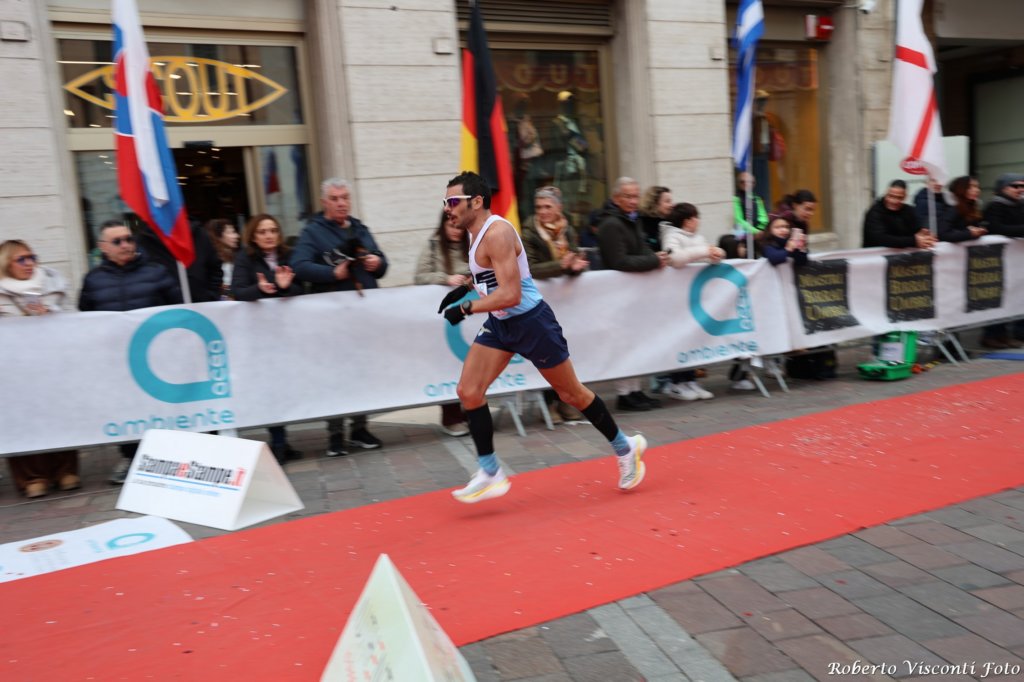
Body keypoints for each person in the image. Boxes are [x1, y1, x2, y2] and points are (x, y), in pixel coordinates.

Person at [439, 171, 647, 503]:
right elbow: (492, 274)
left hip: (531, 323)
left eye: (452, 201)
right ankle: (490, 472)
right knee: (468, 391)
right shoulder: (474, 233)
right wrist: (466, 286)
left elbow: (511, 294)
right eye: (445, 201)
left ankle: (625, 447)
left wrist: (466, 308)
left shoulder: (497, 233)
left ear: (476, 202)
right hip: (501, 325)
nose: (447, 208)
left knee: (571, 393)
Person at [291, 178, 388, 456]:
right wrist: (332, 273)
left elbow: (383, 263)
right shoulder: (313, 232)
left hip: (362, 313)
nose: (341, 203)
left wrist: (377, 262)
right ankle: (335, 433)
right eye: (335, 199)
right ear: (324, 202)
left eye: (345, 197)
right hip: (332, 316)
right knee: (335, 374)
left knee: (362, 371)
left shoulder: (360, 228)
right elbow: (298, 265)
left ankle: (359, 428)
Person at [79, 220, 182, 483]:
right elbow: (85, 318)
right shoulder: (93, 279)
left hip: (157, 358)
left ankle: (170, 457)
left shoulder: (157, 272)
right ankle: (132, 459)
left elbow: (178, 308)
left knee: (162, 408)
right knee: (125, 409)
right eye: (117, 241)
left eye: (129, 239)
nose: (125, 245)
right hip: (116, 361)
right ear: (103, 247)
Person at [0, 240, 80, 497]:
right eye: (21, 259)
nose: (29, 263)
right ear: (6, 264)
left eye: (32, 257)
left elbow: (76, 320)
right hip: (16, 371)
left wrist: (52, 314)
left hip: (53, 366)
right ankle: (33, 477)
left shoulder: (54, 285)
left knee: (59, 416)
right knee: (23, 421)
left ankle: (65, 471)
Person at [230, 214, 305, 462]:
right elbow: (238, 290)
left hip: (287, 332)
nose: (269, 235)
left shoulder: (289, 255)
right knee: (270, 388)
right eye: (262, 232)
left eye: (273, 230)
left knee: (285, 386)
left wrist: (284, 287)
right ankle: (278, 441)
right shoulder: (245, 258)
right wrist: (260, 289)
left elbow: (302, 287)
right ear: (253, 236)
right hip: (259, 335)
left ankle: (283, 439)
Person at [595, 177, 670, 411]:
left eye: (636, 196)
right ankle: (624, 393)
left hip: (634, 292)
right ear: (616, 198)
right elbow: (619, 261)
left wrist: (654, 256)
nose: (633, 201)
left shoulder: (631, 219)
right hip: (617, 293)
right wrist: (653, 261)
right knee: (623, 343)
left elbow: (641, 247)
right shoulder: (611, 224)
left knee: (635, 342)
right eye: (628, 196)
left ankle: (635, 390)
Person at [521, 185, 588, 423]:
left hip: (565, 302)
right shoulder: (528, 233)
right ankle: (549, 403)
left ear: (559, 208)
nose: (543, 211)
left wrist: (576, 267)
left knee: (565, 350)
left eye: (548, 206)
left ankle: (565, 400)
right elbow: (529, 268)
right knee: (546, 351)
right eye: (539, 207)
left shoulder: (568, 229)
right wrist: (562, 265)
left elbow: (574, 257)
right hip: (538, 302)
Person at [657, 203, 724, 400]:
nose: (698, 221)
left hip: (695, 297)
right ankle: (676, 382)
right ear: (687, 220)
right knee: (679, 338)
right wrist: (704, 251)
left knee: (693, 338)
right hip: (676, 297)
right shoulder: (672, 236)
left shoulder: (699, 238)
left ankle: (690, 380)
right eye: (695, 217)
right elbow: (675, 259)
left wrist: (715, 254)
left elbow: (710, 257)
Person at [414, 212, 472, 437]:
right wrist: (445, 279)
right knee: (447, 364)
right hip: (445, 317)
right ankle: (452, 417)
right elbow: (420, 277)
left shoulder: (473, 245)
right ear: (443, 225)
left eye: (460, 226)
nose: (456, 230)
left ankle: (471, 410)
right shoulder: (433, 246)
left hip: (472, 313)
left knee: (472, 364)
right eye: (451, 225)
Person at [980, 173, 1024, 348]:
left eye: (1022, 186)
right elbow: (997, 228)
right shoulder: (995, 206)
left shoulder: (1020, 205)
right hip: (995, 260)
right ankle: (992, 334)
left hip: (1016, 261)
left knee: (1016, 295)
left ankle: (1009, 334)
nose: (1020, 189)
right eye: (1015, 186)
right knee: (997, 296)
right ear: (1002, 188)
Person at [135, 218, 223, 302]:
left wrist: (210, 296)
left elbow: (215, 268)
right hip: (164, 309)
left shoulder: (198, 234)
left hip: (202, 306)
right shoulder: (143, 240)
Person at [862, 180, 937, 249]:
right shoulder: (874, 212)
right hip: (875, 256)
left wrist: (924, 235)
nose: (894, 201)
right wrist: (913, 241)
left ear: (905, 197)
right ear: (886, 194)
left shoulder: (909, 210)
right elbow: (880, 239)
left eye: (899, 198)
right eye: (891, 196)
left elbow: (917, 230)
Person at [938, 176, 988, 243]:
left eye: (977, 187)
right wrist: (970, 233)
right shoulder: (952, 209)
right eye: (971, 187)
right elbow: (943, 234)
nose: (977, 190)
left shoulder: (972, 208)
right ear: (961, 189)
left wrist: (979, 231)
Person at [208, 218, 241, 299]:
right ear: (219, 236)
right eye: (231, 232)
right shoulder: (215, 259)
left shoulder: (234, 256)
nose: (236, 236)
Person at [638, 185, 673, 251]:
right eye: (667, 201)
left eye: (671, 201)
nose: (671, 205)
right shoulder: (641, 223)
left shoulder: (670, 223)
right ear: (655, 203)